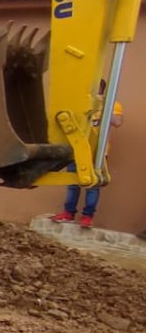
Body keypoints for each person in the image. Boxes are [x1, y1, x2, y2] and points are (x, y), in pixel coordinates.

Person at [51, 80, 124, 228]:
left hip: (98, 152)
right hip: (77, 149)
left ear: (101, 89)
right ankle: (68, 213)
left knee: (93, 185)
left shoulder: (112, 104)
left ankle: (87, 217)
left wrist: (104, 106)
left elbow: (117, 122)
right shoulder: (81, 103)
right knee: (72, 182)